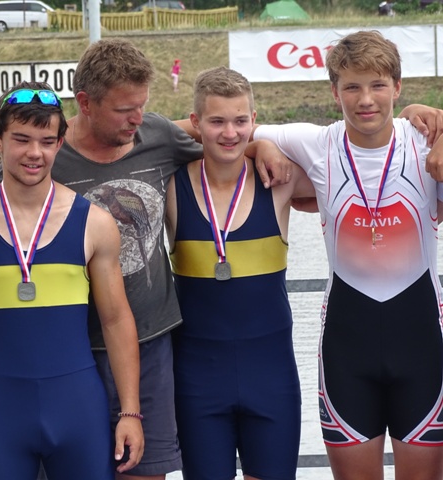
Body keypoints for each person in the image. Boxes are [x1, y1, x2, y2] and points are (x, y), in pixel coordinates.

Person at [0, 38, 443, 479]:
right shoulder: (45, 159)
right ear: (84, 104)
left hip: (161, 345)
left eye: (141, 108)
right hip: (79, 354)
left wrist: (263, 145)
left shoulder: (168, 141)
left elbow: (230, 138)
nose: (136, 120)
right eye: (124, 110)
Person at [253, 30, 443, 480]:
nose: (366, 99)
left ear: (398, 87)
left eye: (378, 85)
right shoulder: (316, 143)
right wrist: (258, 144)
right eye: (352, 87)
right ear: (334, 91)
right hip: (346, 349)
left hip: (422, 347)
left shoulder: (426, 143)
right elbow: (214, 129)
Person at [0, 81, 144, 480]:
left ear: (60, 143)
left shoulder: (95, 224)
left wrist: (130, 412)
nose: (35, 153)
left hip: (79, 409)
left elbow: (116, 320)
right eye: (21, 140)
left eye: (47, 141)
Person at [165, 66, 315, 480]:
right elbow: (143, 135)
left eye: (240, 121)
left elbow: (355, 156)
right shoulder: (171, 188)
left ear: (254, 120)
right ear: (195, 123)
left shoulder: (280, 181)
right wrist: (259, 142)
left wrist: (264, 142)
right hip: (197, 380)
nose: (230, 133)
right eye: (216, 121)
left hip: (271, 376)